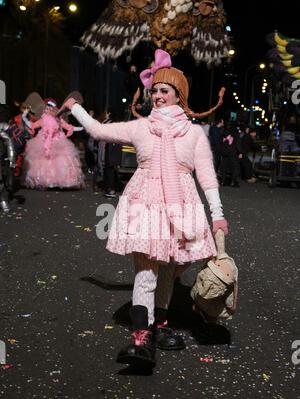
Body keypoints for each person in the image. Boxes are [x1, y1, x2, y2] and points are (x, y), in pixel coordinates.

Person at [59, 49, 228, 369]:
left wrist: (217, 214)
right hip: (146, 203)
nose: (158, 96)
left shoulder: (193, 134)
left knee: (169, 268)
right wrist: (75, 108)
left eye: (165, 90)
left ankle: (159, 325)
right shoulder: (141, 128)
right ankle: (141, 338)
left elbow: (207, 176)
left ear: (180, 95)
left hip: (182, 203)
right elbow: (99, 131)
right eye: (154, 91)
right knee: (146, 269)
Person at [24, 99, 84, 190]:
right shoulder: (43, 119)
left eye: (50, 108)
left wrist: (82, 128)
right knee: (43, 162)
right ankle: (46, 181)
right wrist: (24, 117)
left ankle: (60, 181)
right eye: (47, 108)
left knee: (61, 160)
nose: (47, 110)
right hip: (44, 142)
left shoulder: (58, 120)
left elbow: (68, 127)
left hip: (58, 141)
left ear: (54, 110)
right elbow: (33, 125)